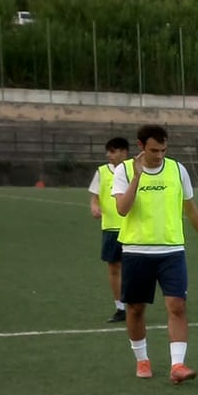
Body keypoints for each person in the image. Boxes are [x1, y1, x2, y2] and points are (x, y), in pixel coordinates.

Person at [113, 123, 198, 383]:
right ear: (140, 146)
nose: (159, 155)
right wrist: (137, 177)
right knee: (135, 309)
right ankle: (142, 359)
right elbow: (122, 209)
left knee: (177, 306)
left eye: (163, 150)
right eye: (154, 150)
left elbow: (190, 209)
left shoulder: (177, 170)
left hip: (172, 250)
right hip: (137, 251)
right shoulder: (124, 170)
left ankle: (177, 365)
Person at [87, 134, 130, 321]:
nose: (109, 155)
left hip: (132, 228)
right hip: (111, 228)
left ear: (124, 152)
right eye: (108, 152)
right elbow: (95, 196)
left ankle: (135, 305)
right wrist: (94, 207)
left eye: (112, 151)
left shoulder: (134, 171)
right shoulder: (102, 171)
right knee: (114, 268)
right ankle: (120, 308)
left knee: (134, 269)